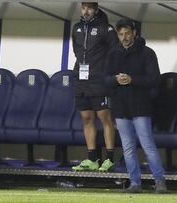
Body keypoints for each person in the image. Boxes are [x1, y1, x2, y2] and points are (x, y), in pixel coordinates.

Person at [104, 18, 167, 193]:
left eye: (127, 33)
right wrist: (115, 80)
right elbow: (105, 79)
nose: (124, 37)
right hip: (121, 107)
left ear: (135, 33)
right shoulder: (112, 53)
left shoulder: (147, 53)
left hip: (141, 106)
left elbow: (155, 79)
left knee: (147, 145)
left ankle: (160, 181)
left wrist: (133, 80)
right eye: (121, 34)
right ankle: (135, 183)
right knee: (128, 148)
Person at [71, 2, 118, 172]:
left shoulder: (106, 29)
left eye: (90, 8)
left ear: (96, 10)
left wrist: (104, 71)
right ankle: (92, 159)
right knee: (86, 118)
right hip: (81, 80)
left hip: (99, 80)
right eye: (84, 7)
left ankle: (110, 158)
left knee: (104, 117)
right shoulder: (76, 27)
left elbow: (115, 52)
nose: (86, 11)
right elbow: (76, 50)